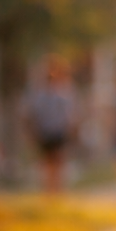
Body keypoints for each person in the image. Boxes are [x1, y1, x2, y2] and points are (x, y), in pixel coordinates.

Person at [26, 55, 75, 193]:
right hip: (45, 131)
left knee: (58, 163)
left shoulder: (64, 92)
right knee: (47, 163)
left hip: (58, 131)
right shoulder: (39, 94)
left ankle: (58, 191)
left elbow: (68, 116)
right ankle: (49, 191)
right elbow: (33, 115)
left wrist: (70, 129)